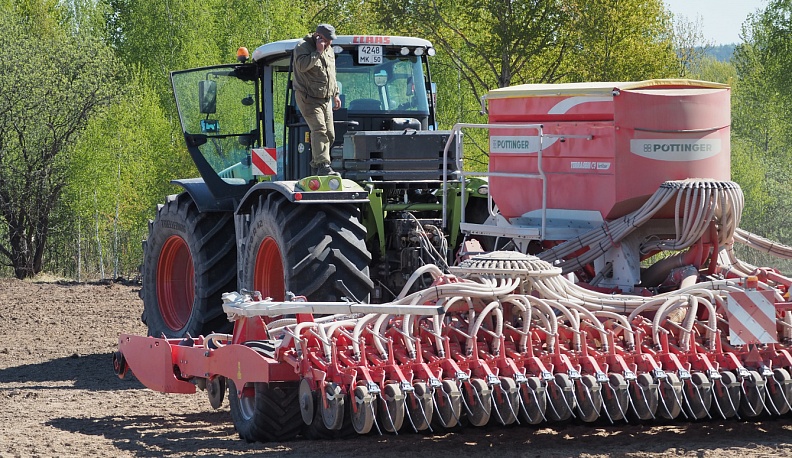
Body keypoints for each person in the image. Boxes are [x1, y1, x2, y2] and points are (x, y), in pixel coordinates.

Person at [292, 24, 342, 176]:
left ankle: (317, 165)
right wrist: (318, 52)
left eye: (331, 40)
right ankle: (323, 165)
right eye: (327, 39)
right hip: (308, 97)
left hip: (325, 99)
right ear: (318, 36)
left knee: (330, 134)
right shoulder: (303, 47)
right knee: (319, 129)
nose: (329, 43)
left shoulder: (329, 50)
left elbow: (331, 73)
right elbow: (302, 66)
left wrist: (336, 94)